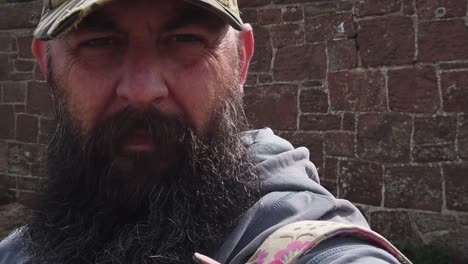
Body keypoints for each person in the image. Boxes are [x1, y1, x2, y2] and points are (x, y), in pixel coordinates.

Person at [0, 0, 411, 263]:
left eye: (185, 39)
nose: (142, 91)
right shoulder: (19, 251)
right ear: (48, 67)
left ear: (241, 63)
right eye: (99, 42)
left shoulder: (313, 247)